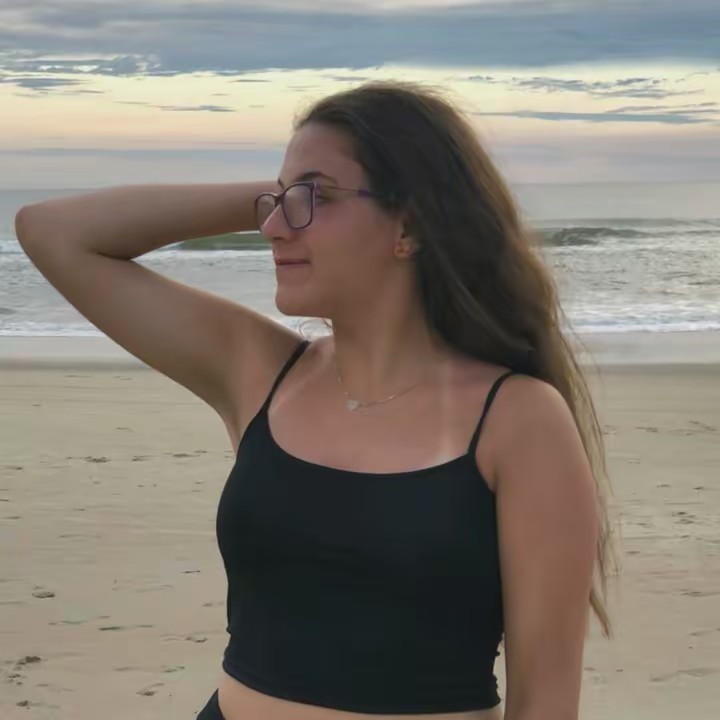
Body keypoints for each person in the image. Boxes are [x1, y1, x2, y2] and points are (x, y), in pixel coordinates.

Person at [16, 80, 616, 720]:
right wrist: (285, 194)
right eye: (277, 202)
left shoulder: (518, 419)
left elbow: (545, 703)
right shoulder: (262, 372)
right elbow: (54, 233)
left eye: (313, 198)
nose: (273, 228)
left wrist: (310, 190)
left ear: (410, 224)